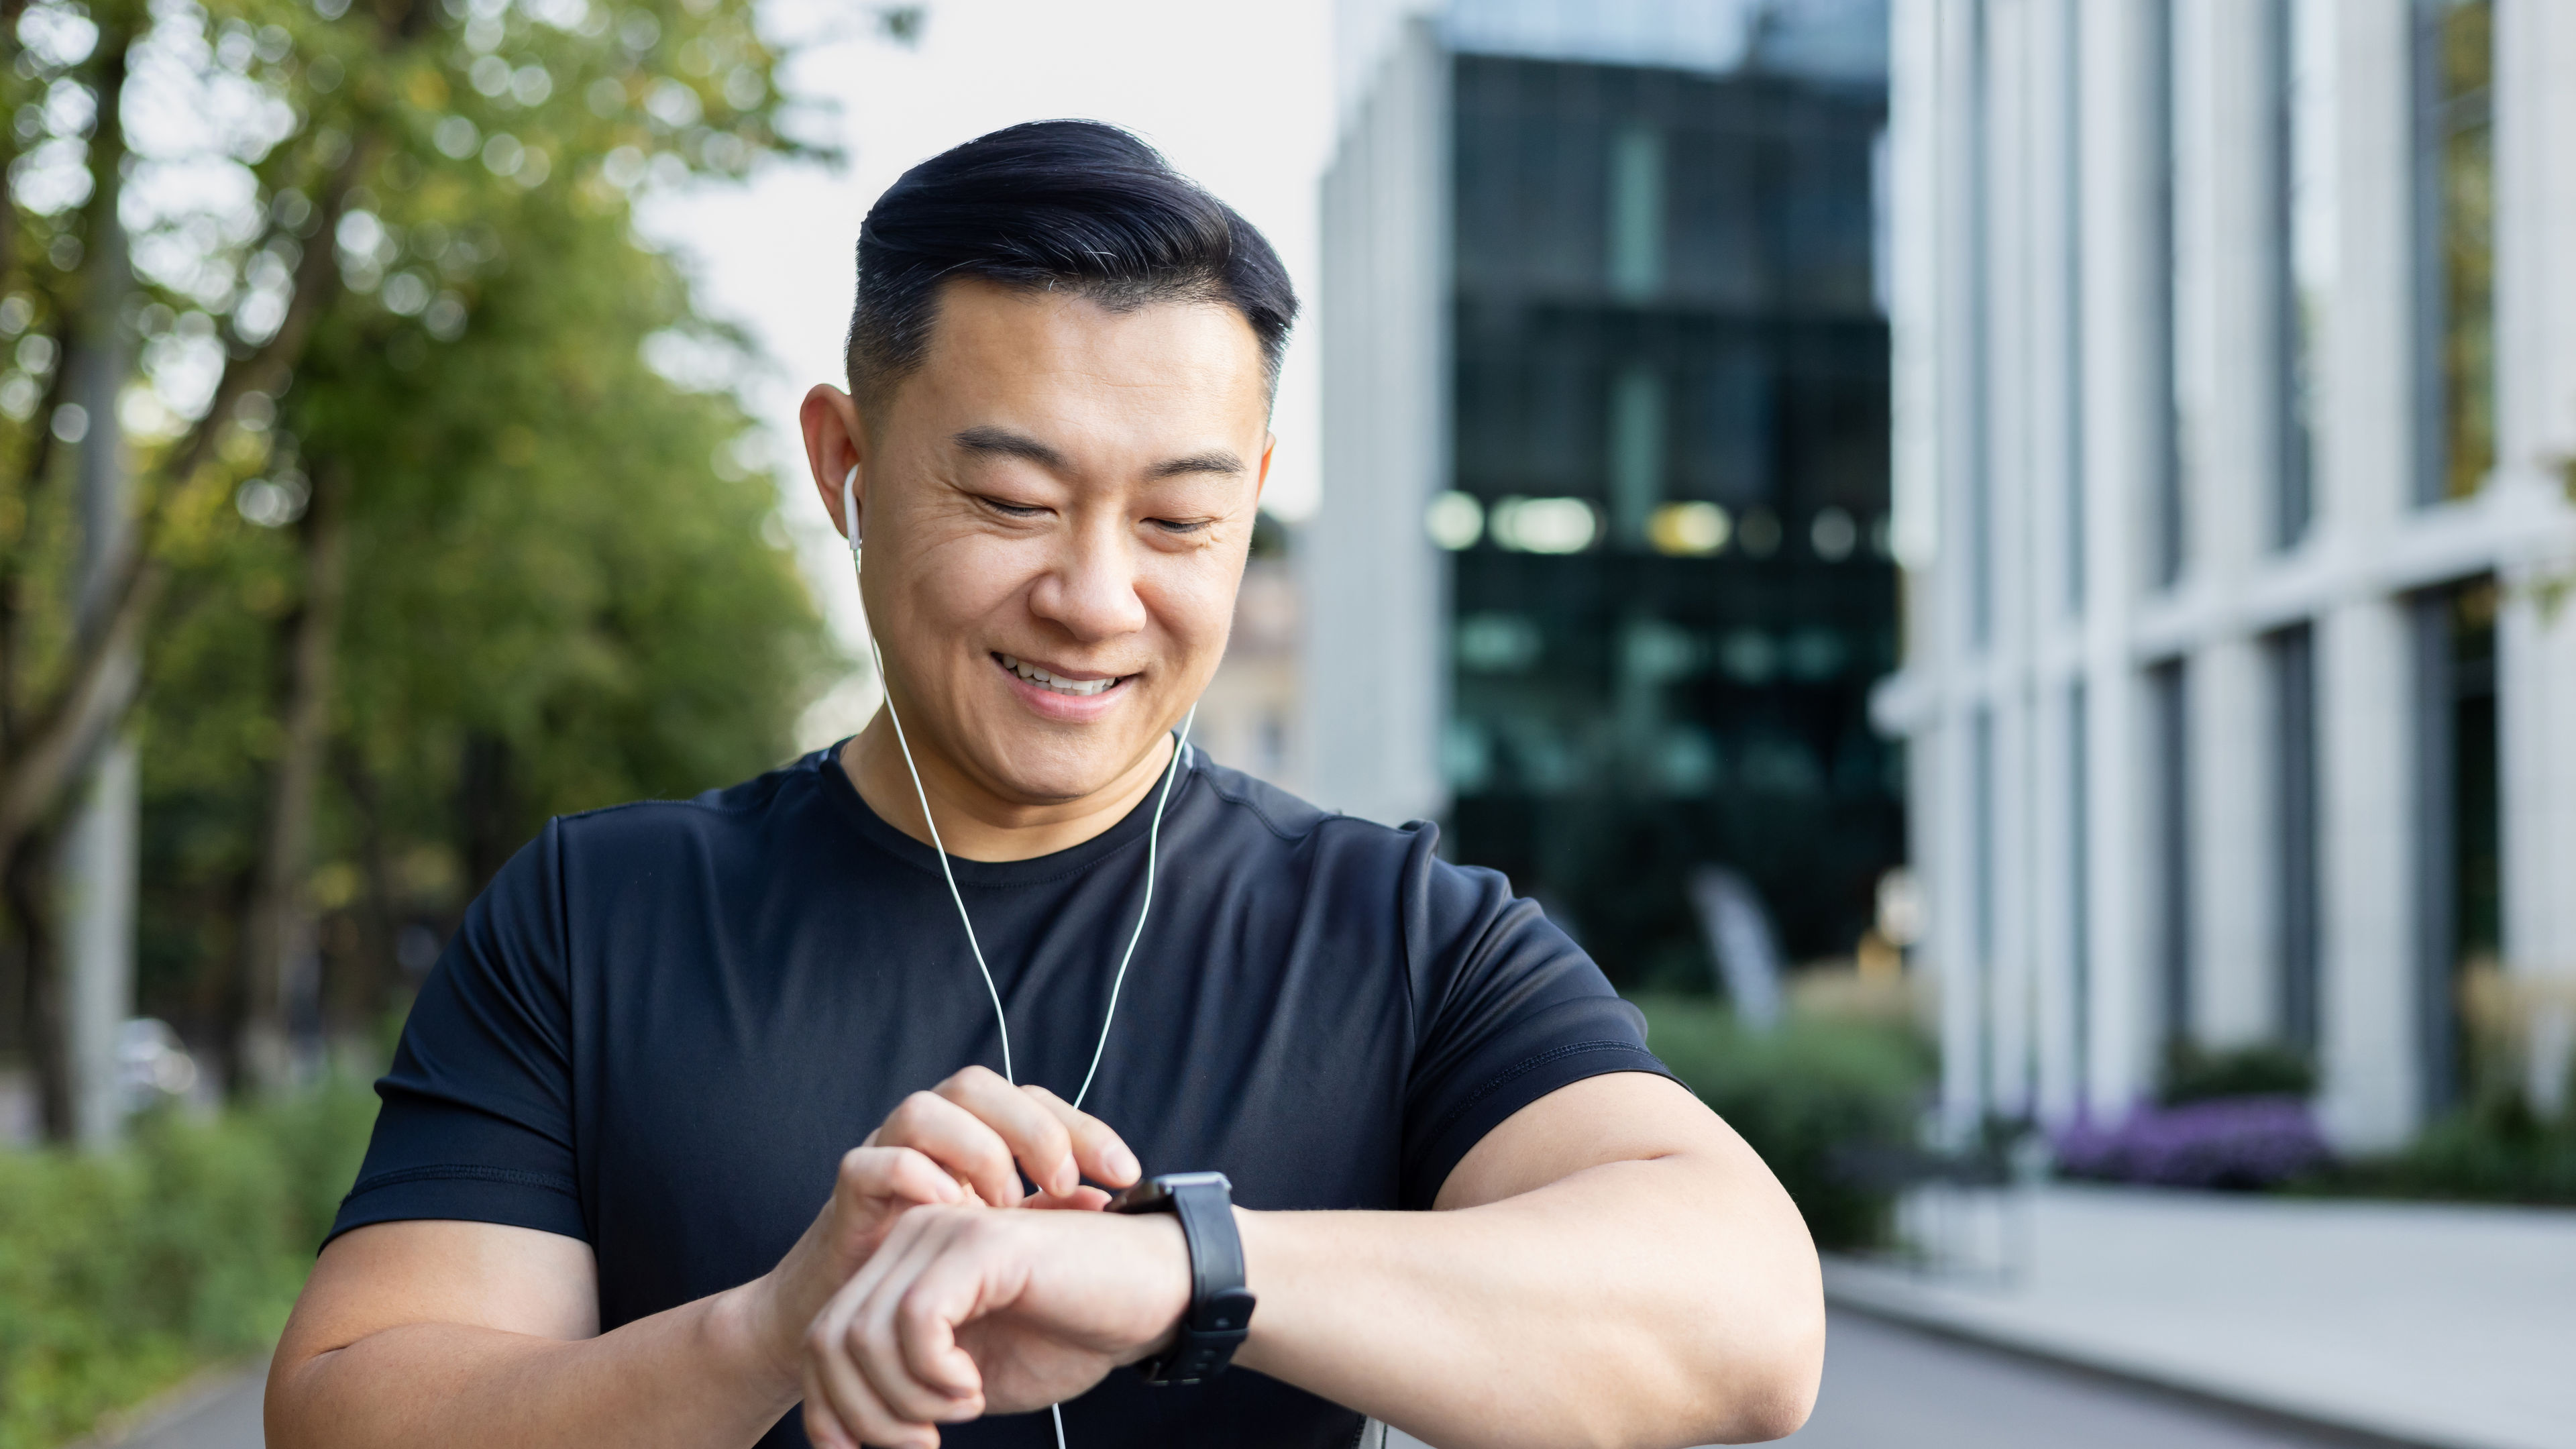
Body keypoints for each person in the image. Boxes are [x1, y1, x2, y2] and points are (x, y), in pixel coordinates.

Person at [266, 121, 1823, 1449]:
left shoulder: (1400, 935)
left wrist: (1173, 1271)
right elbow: (353, 1405)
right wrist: (771, 1332)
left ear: (1253, 501)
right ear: (845, 467)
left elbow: (1745, 1320)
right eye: (1012, 499)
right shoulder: (597, 914)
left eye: (1177, 523)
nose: (1094, 596)